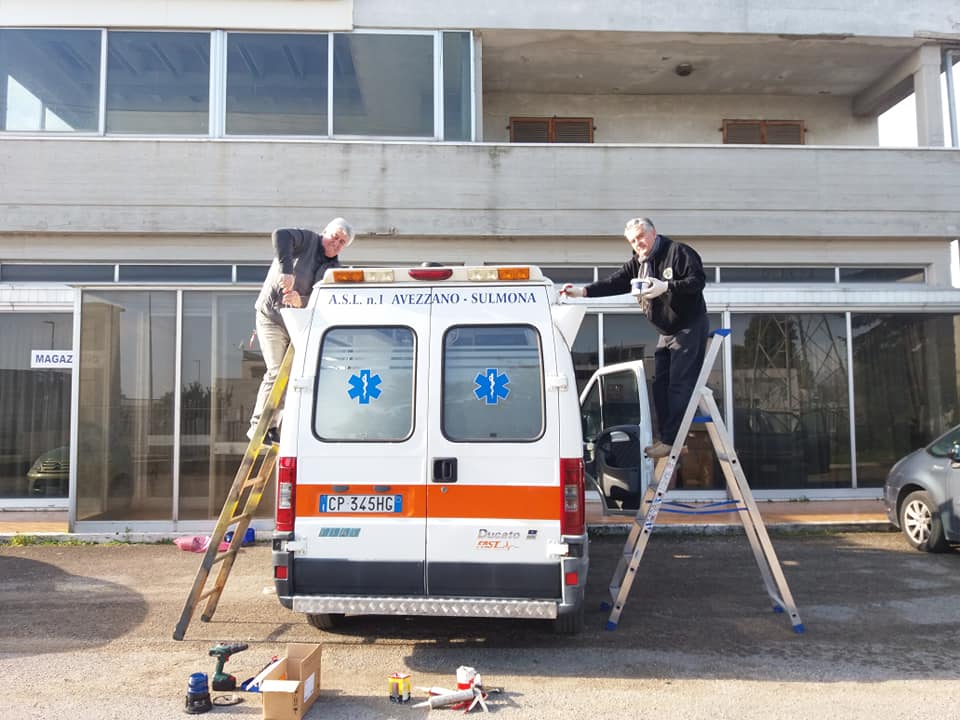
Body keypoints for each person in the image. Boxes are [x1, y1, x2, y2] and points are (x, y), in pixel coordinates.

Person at [561, 217, 708, 458]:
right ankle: (666, 437)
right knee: (659, 385)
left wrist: (667, 287)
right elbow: (614, 282)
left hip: (688, 326)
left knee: (679, 384)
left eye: (640, 237)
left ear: (653, 233)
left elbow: (698, 281)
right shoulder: (639, 264)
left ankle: (671, 440)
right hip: (666, 332)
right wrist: (582, 292)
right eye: (632, 240)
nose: (637, 243)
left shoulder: (678, 252)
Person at [248, 218, 355, 443]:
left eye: (342, 242)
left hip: (296, 323)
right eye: (334, 237)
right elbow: (280, 234)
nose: (336, 243)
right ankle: (258, 426)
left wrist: (302, 300)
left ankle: (274, 426)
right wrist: (287, 270)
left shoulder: (333, 269)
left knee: (294, 377)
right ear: (324, 231)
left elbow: (327, 301)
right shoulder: (307, 240)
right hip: (272, 317)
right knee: (276, 371)